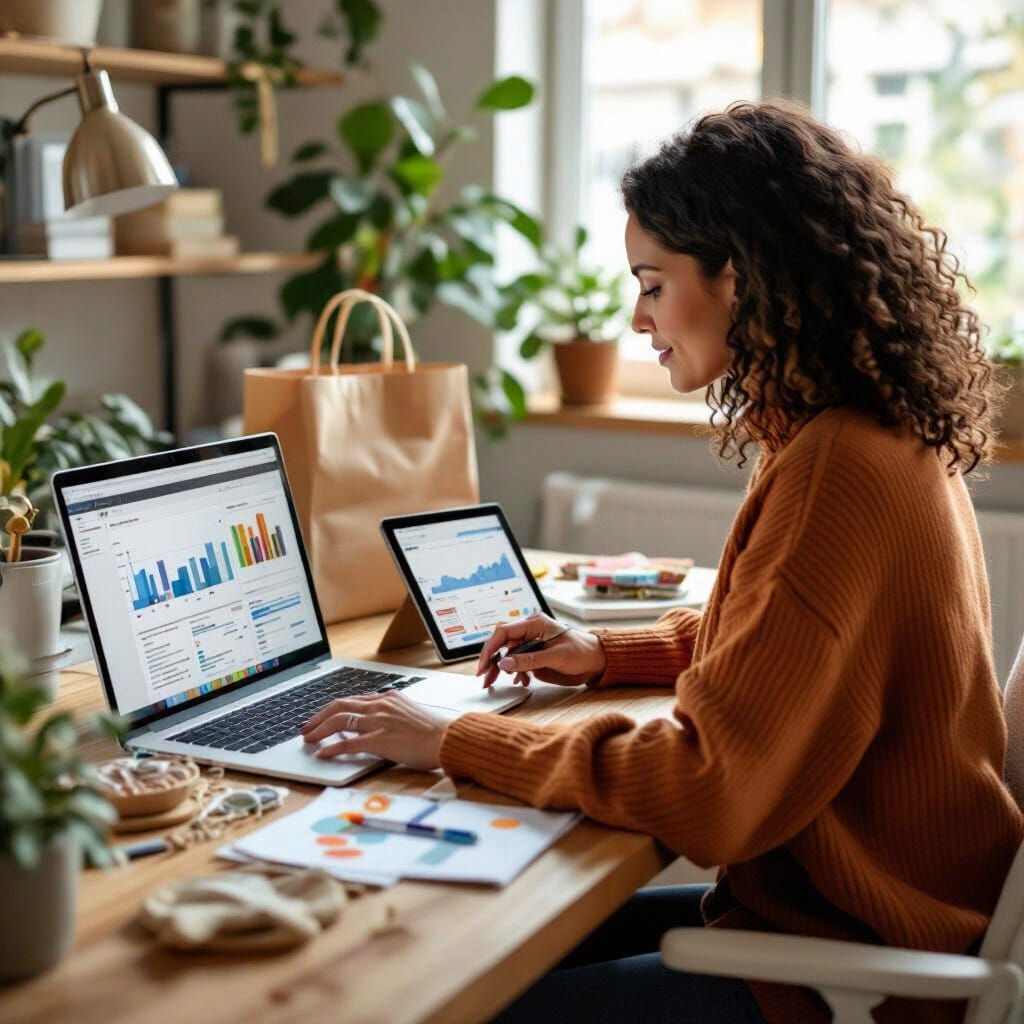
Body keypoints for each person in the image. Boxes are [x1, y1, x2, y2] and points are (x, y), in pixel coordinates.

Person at [300, 101, 1023, 1023]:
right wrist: (608, 655)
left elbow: (709, 791)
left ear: (740, 277)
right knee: (493, 940)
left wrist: (453, 738)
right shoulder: (866, 431)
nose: (638, 318)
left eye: (651, 282)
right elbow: (790, 651)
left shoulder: (837, 469)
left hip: (855, 969)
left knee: (445, 986)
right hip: (862, 918)